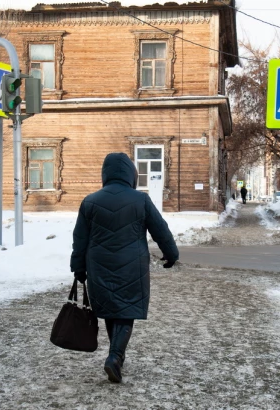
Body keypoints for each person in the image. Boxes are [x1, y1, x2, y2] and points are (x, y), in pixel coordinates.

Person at [70, 152, 179, 383]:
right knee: (125, 309)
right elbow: (160, 229)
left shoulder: (90, 201)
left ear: (105, 174)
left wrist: (78, 267)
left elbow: (79, 239)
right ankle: (115, 357)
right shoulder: (141, 200)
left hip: (98, 265)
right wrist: (171, 254)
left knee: (111, 308)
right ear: (131, 174)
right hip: (132, 265)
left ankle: (116, 357)